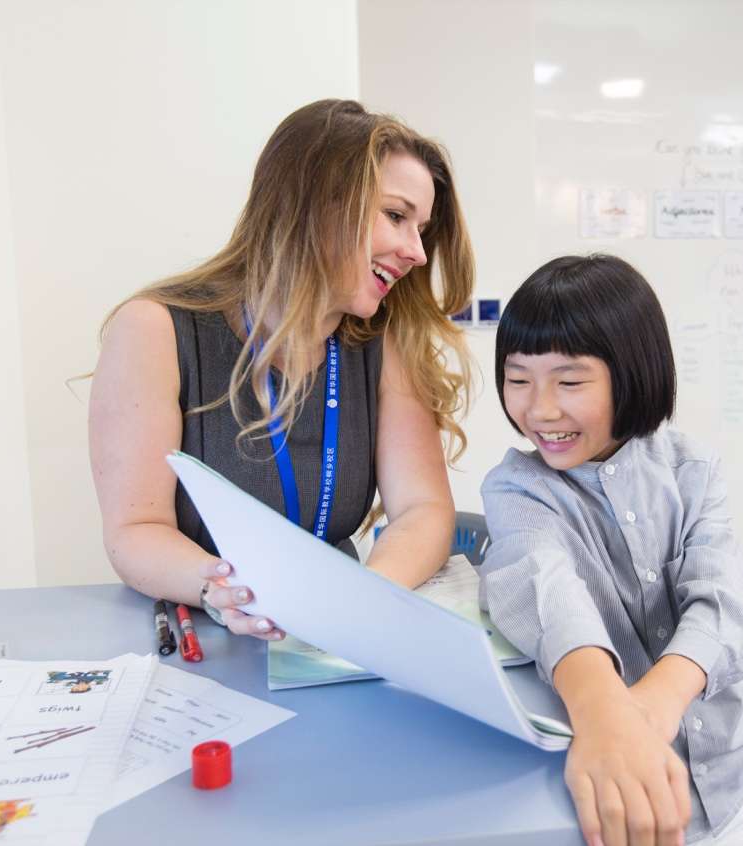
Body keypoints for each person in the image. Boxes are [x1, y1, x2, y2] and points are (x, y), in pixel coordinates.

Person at [89, 99, 474, 637]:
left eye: (422, 228)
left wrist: (364, 597)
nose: (417, 253)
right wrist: (223, 591)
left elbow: (423, 510)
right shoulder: (155, 329)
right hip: (212, 630)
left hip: (333, 638)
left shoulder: (385, 343)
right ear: (314, 204)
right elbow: (135, 529)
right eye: (395, 216)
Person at [478, 255, 743, 846]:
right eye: (518, 380)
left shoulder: (691, 467)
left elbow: (731, 598)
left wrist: (648, 707)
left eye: (569, 382)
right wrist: (604, 712)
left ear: (631, 373)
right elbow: (543, 588)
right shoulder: (517, 489)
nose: (539, 408)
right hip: (628, 810)